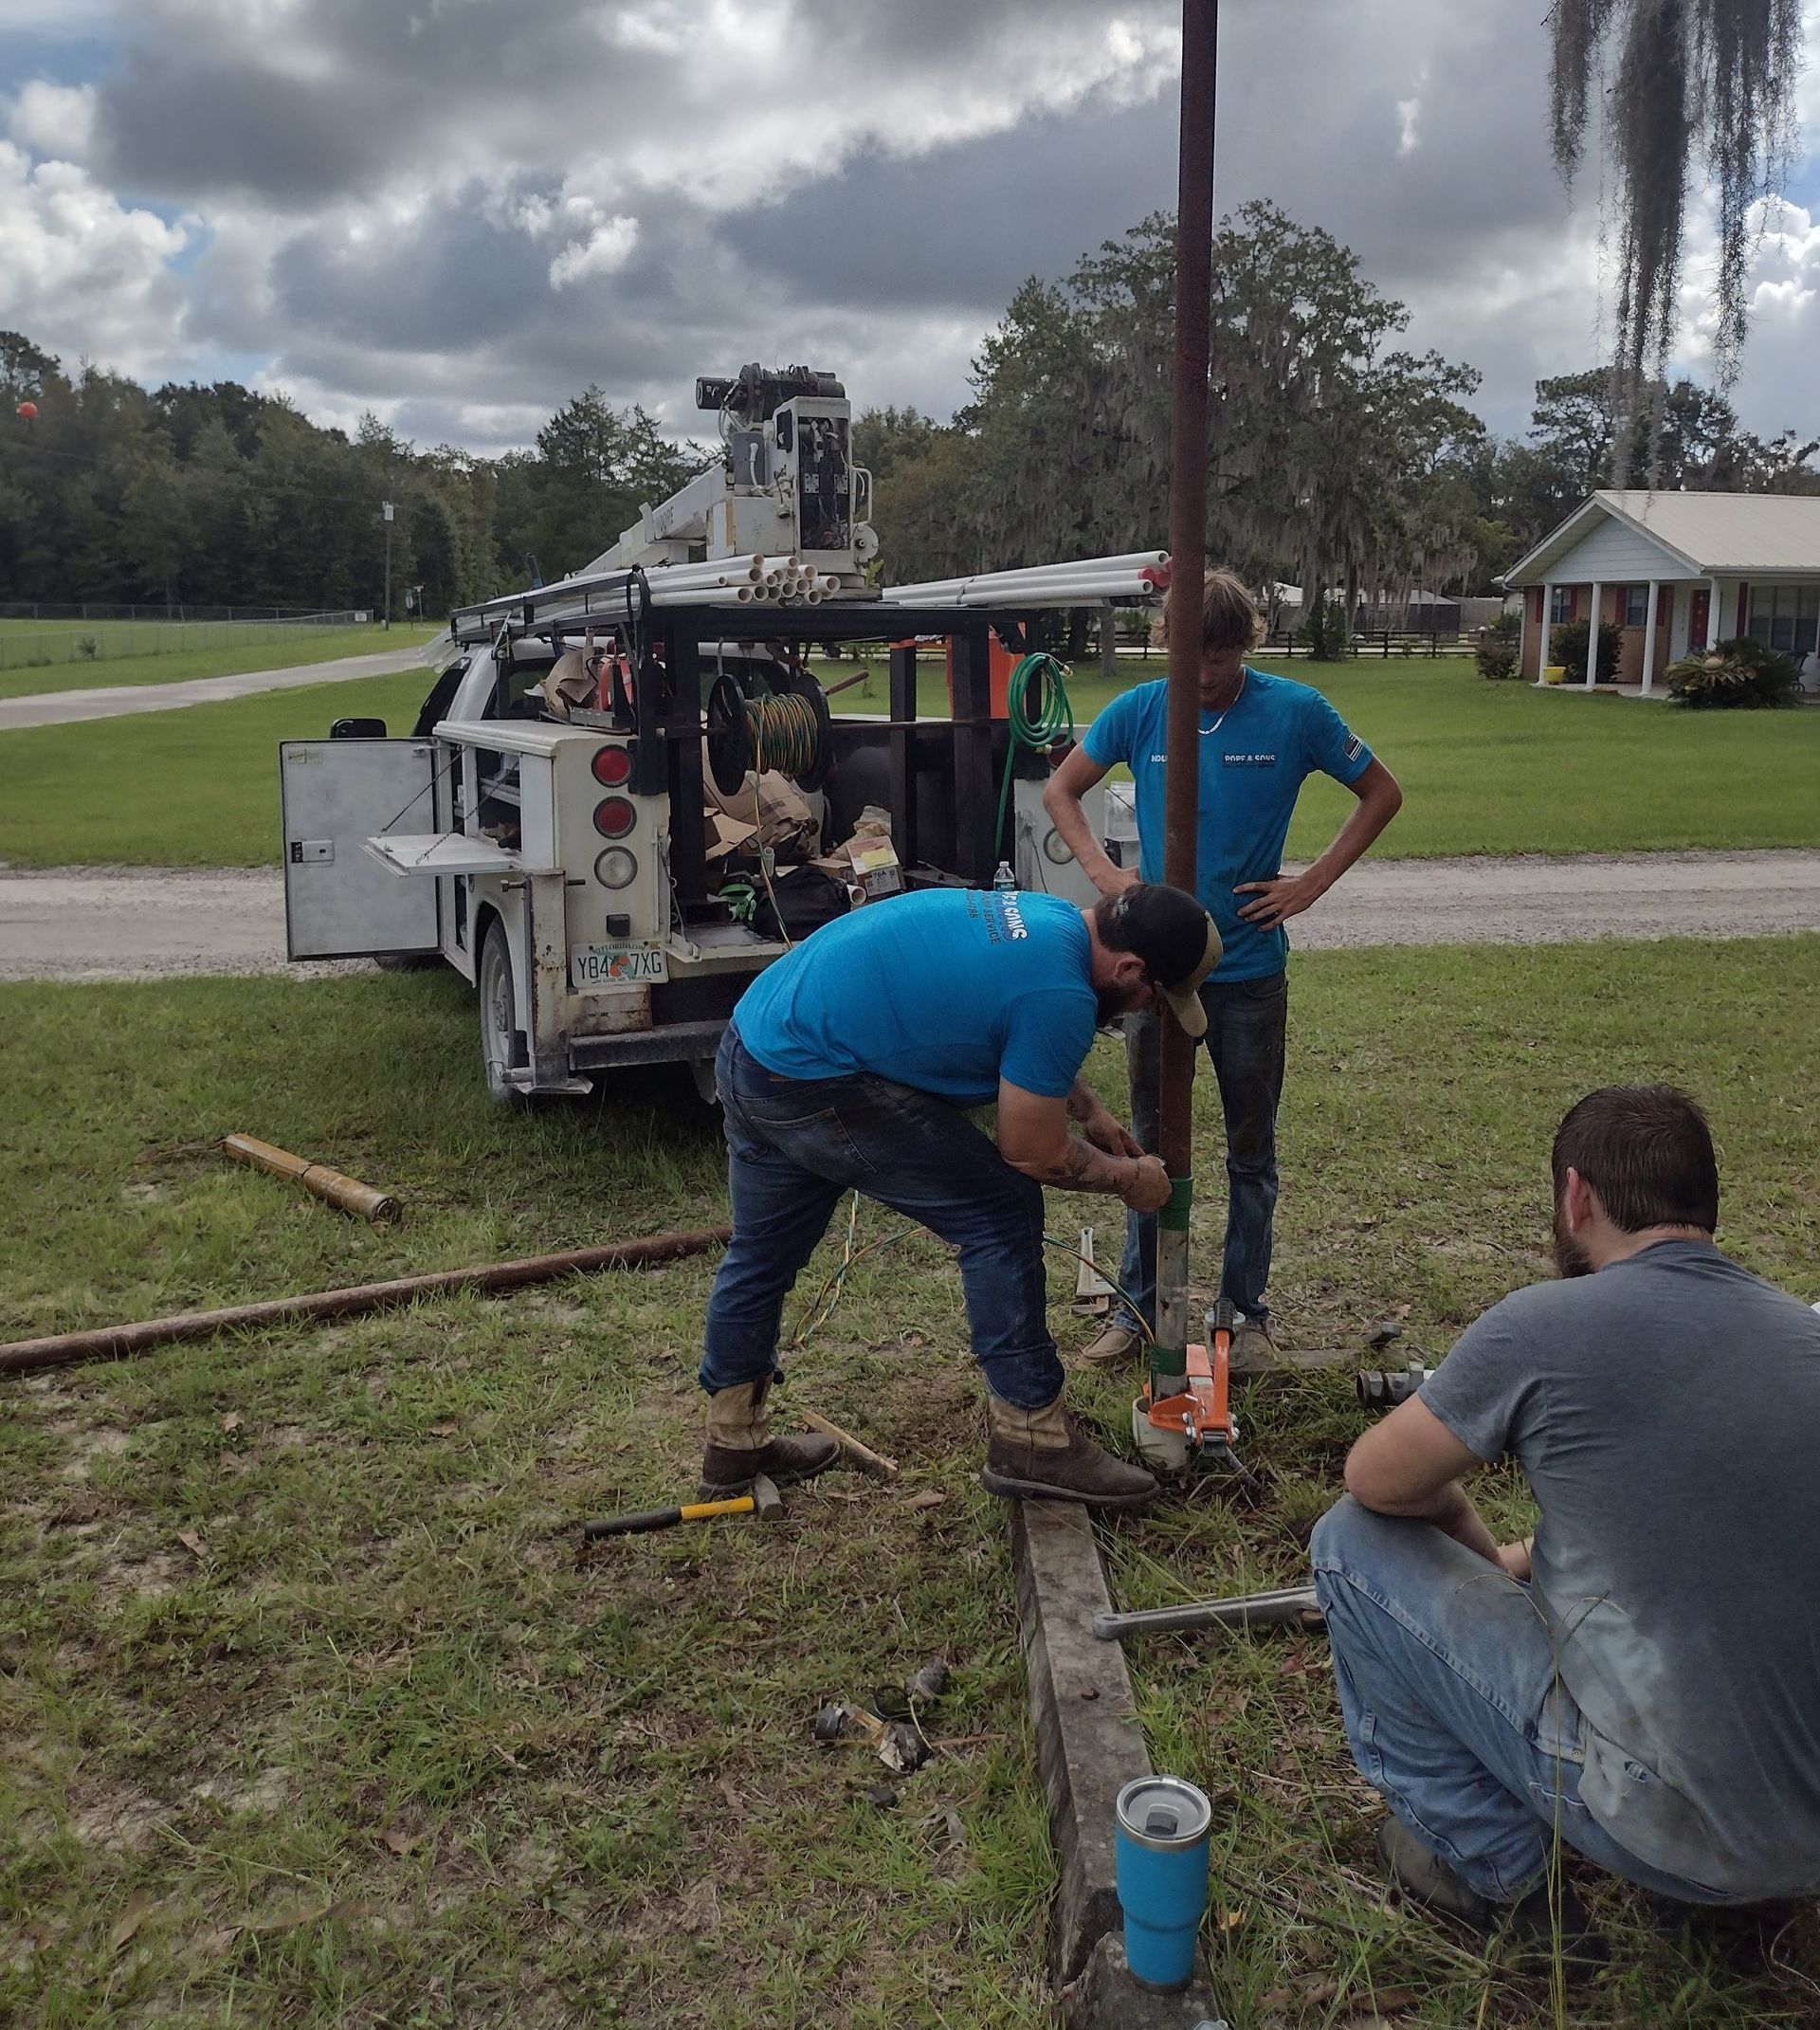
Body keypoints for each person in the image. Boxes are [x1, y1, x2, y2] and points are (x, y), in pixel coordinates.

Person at [1312, 1086, 1820, 1955]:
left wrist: (1471, 1549)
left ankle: (1500, 1876)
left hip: (1668, 1822)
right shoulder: (1802, 1336)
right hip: (1806, 1835)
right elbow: (1704, 1534)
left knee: (1348, 1541)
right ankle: (1733, 1901)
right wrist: (1517, 1561)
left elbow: (1376, 1479)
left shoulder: (1544, 1326)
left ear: (1575, 1196)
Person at [697, 882, 1222, 1509]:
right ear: (1130, 968)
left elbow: (1009, 1010)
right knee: (1001, 1208)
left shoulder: (1054, 921)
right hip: (809, 1076)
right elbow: (1034, 1151)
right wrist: (1130, 1178)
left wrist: (1087, 1108)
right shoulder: (1061, 992)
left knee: (762, 1254)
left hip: (758, 1040)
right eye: (1151, 999)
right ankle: (1032, 1437)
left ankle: (732, 1444)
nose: (1144, 1010)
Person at [1044, 570, 1402, 1372]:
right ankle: (1139, 1310)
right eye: (1189, 657)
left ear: (1248, 644)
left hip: (1247, 974)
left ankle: (1243, 1314)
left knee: (1251, 1147)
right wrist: (1109, 879)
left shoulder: (1298, 711)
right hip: (1155, 978)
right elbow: (1063, 791)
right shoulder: (1143, 708)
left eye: (1221, 657)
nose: (1203, 676)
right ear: (1168, 645)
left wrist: (1309, 884)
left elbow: (1381, 793)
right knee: (1148, 1144)